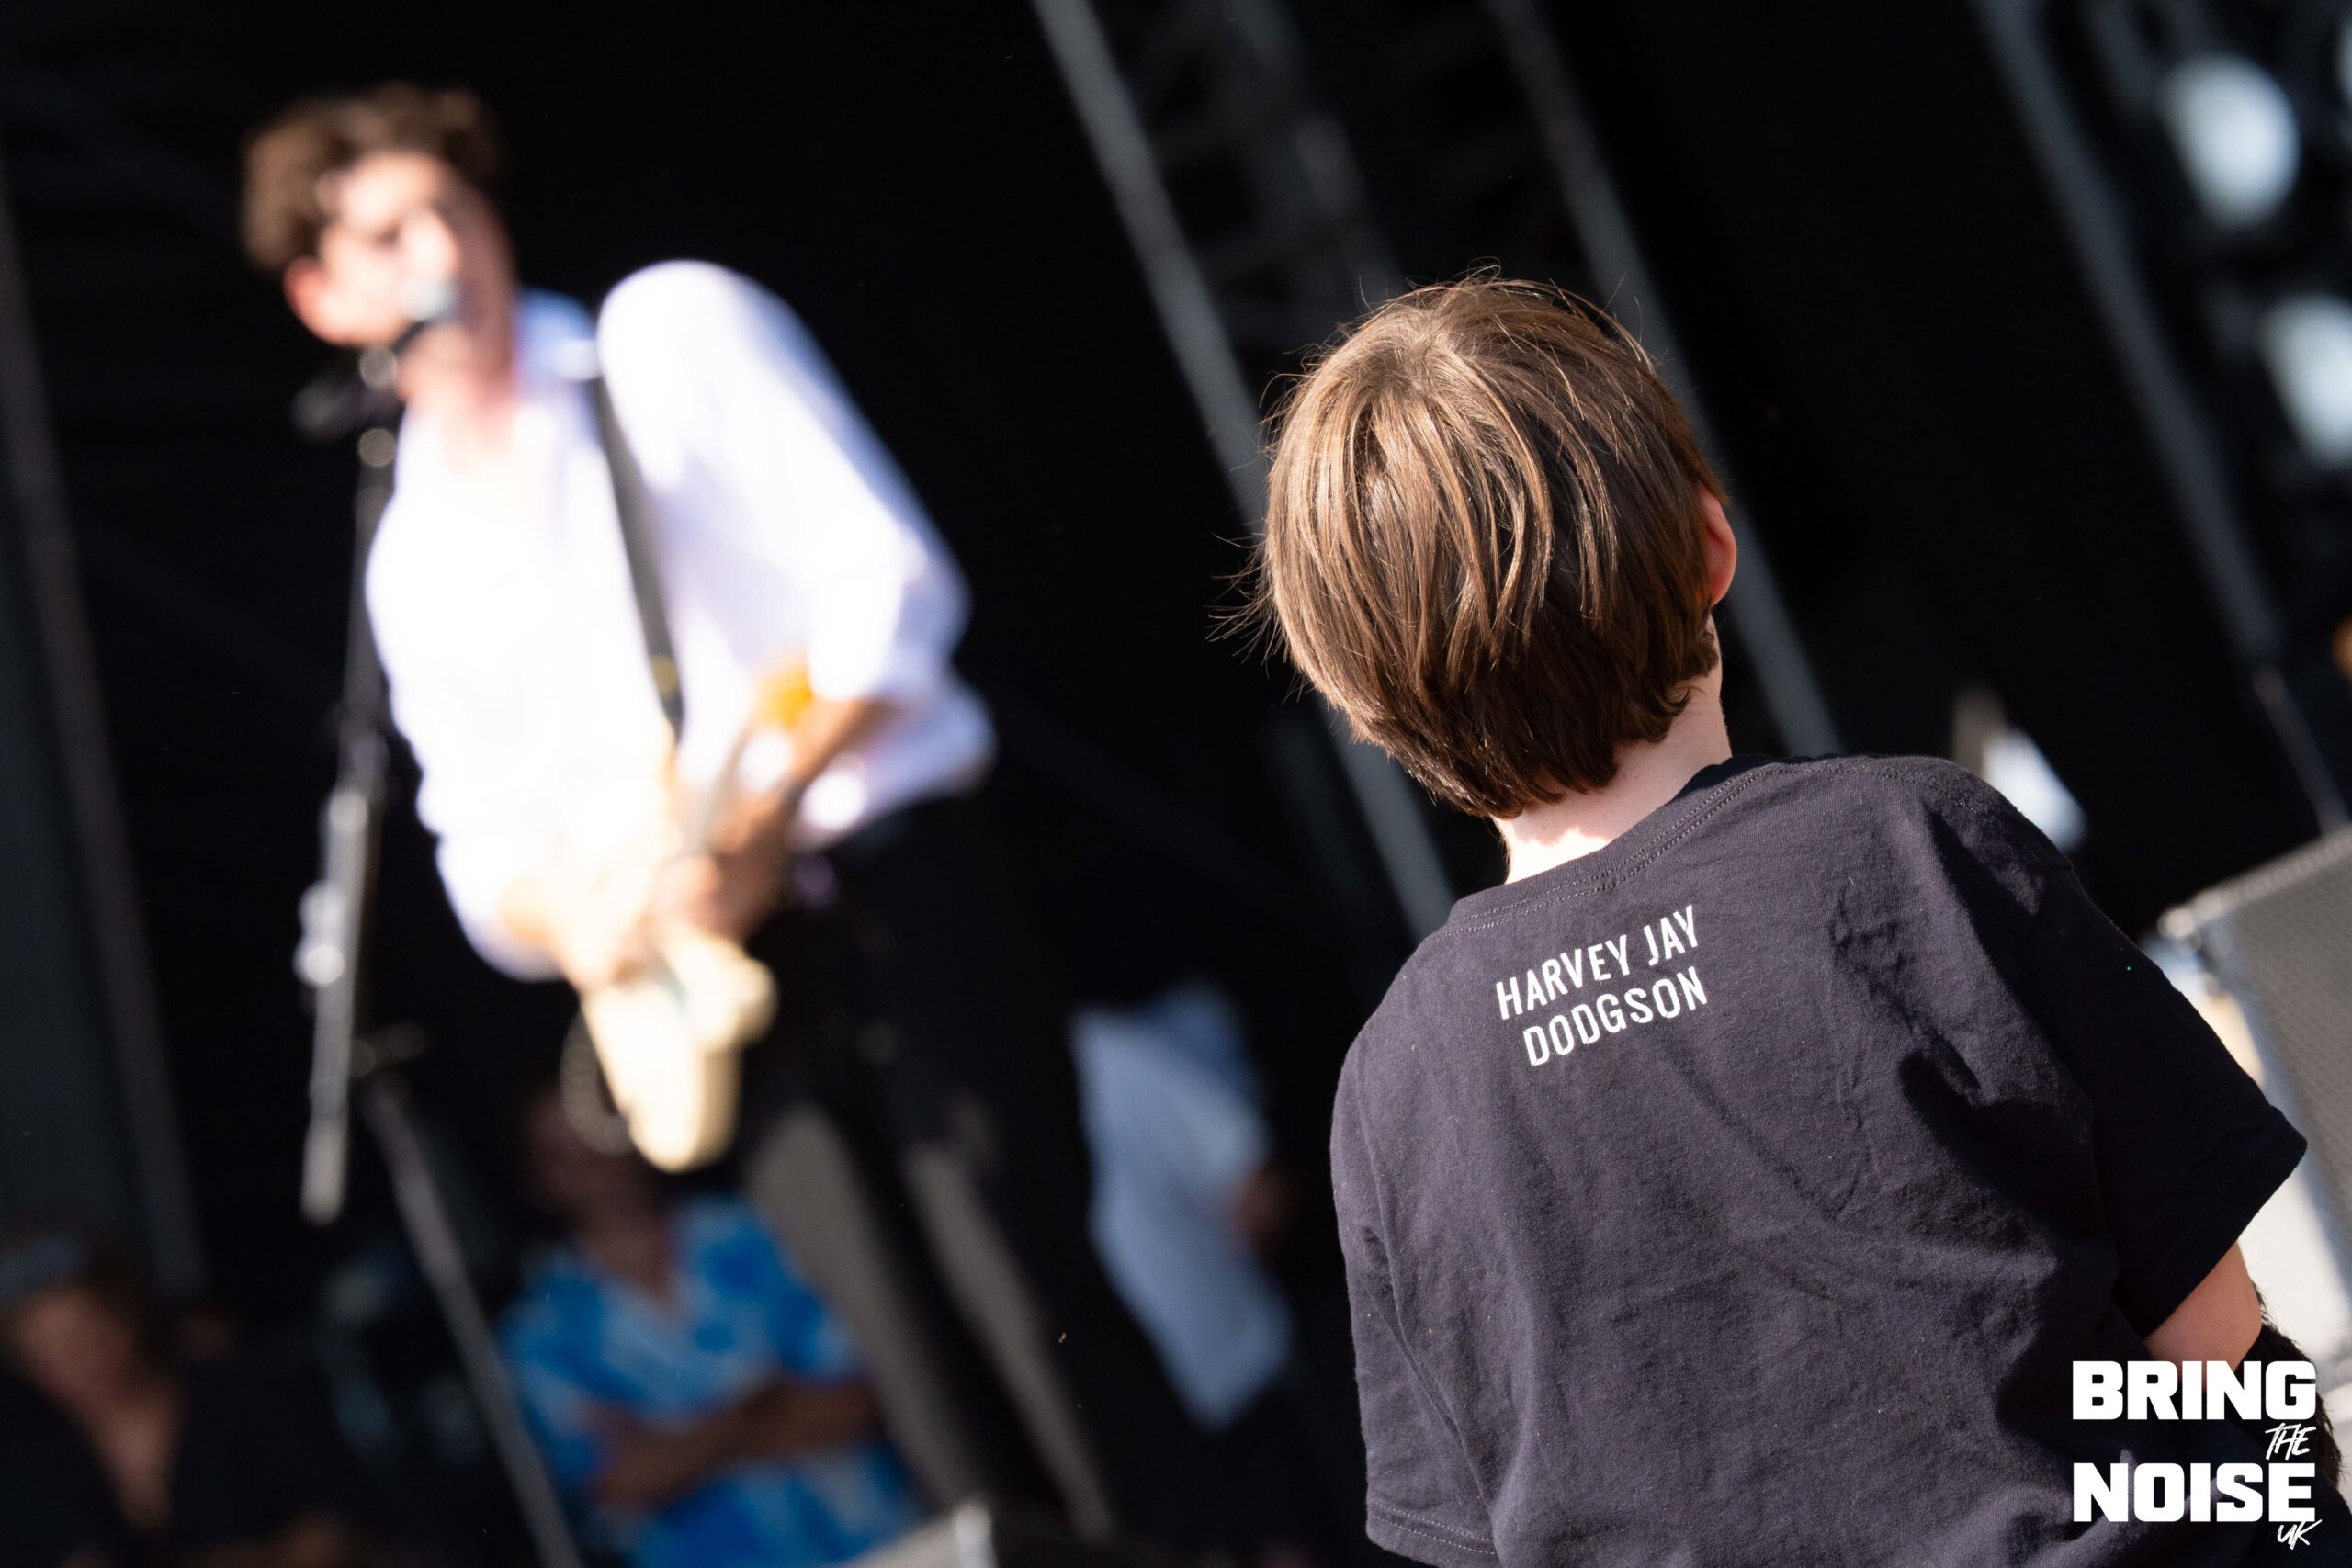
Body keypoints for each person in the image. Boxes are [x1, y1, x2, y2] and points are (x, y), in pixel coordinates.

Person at [240, 84, 1213, 1544]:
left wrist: (758, 819)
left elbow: (893, 588)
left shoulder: (662, 335)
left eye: (454, 205)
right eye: (390, 234)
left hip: (876, 886)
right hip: (710, 991)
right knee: (911, 1374)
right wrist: (577, 916)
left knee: (1034, 1304)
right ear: (325, 298)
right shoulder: (411, 547)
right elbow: (478, 845)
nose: (442, 248)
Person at [1249, 277, 2346, 1564]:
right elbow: (2212, 1354)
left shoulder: (1394, 1088)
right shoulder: (1914, 851)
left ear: (1361, 707)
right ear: (1712, 546)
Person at [501, 1080, 915, 1568]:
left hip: (881, 1542)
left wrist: (676, 1443)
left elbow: (858, 1396)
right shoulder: (543, 1330)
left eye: (596, 1134)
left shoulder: (756, 1228)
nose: (590, 1164)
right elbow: (615, 1481)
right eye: (561, 1154)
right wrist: (756, 1408)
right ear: (536, 1180)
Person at [0, 1231, 392, 1568]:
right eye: (51, 1351)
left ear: (126, 1315)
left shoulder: (237, 1393)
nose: (80, 1361)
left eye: (89, 1332)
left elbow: (344, 1520)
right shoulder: (29, 1451)